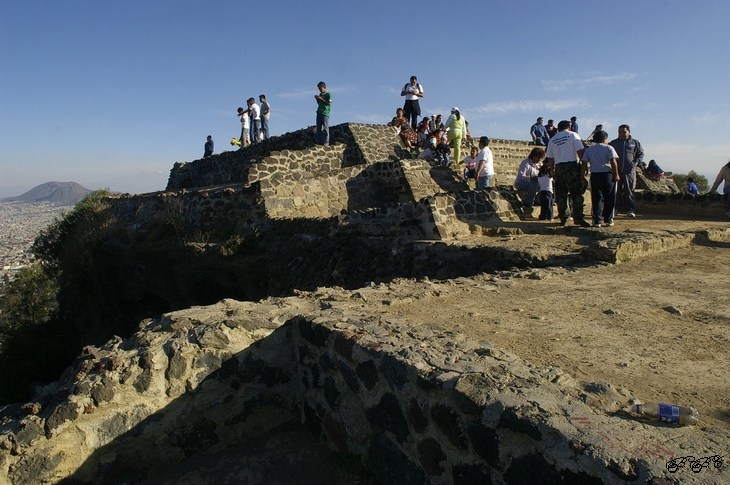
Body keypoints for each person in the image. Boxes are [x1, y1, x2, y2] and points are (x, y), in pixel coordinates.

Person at [546, 120, 590, 226]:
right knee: (576, 194)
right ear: (569, 127)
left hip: (559, 168)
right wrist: (584, 168)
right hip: (573, 167)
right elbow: (580, 152)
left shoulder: (552, 140)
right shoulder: (573, 135)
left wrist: (552, 171)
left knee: (561, 195)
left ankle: (564, 218)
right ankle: (578, 218)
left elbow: (550, 159)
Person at [581, 130, 619, 227]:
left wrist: (583, 176)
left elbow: (584, 164)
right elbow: (613, 162)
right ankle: (608, 219)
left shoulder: (589, 150)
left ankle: (597, 220)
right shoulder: (609, 148)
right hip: (607, 175)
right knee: (610, 197)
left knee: (597, 197)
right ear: (605, 139)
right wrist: (616, 174)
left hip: (595, 175)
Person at [609, 124, 644, 217]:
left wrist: (635, 163)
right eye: (619, 132)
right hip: (616, 171)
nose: (621, 134)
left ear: (629, 131)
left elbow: (640, 154)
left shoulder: (635, 143)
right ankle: (615, 208)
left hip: (629, 171)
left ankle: (630, 209)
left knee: (629, 191)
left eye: (624, 132)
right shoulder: (613, 143)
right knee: (616, 191)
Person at [314, 81, 331, 145]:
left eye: (320, 88)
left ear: (324, 87)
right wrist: (317, 99)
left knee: (326, 128)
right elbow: (319, 104)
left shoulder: (329, 94)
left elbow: (328, 103)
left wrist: (321, 99)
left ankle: (326, 142)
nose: (319, 90)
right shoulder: (320, 94)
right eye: (318, 89)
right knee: (318, 128)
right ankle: (319, 142)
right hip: (319, 112)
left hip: (325, 113)